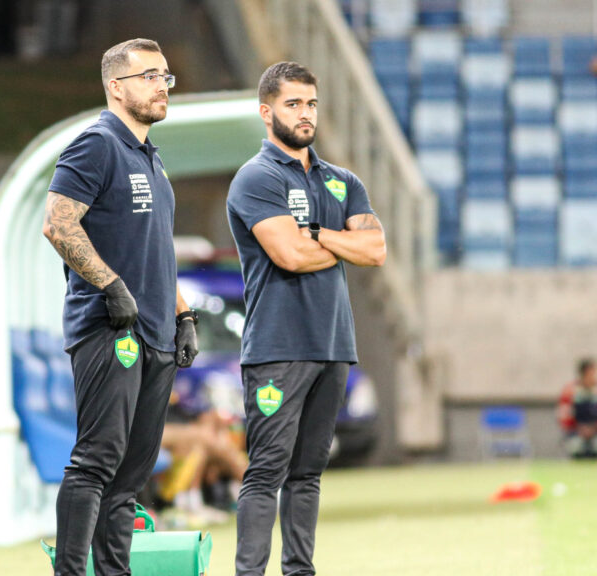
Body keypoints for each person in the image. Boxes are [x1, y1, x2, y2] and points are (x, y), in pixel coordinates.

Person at [41, 37, 199, 576]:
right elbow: (58, 223)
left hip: (156, 333)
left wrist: (183, 315)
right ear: (116, 86)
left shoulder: (151, 157)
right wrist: (111, 286)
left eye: (165, 76)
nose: (162, 86)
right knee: (96, 461)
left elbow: (158, 248)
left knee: (132, 477)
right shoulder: (96, 143)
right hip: (110, 329)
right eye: (150, 76)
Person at [226, 61, 386, 576]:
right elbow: (288, 256)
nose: (305, 114)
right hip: (278, 345)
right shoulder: (256, 178)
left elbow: (377, 248)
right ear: (266, 111)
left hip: (333, 343)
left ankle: (300, 571)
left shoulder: (342, 181)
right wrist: (340, 243)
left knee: (309, 472)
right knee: (266, 470)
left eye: (311, 103)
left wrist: (315, 234)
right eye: (293, 103)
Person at [558, 358, 597, 458]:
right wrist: (580, 429)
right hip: (576, 432)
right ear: (584, 374)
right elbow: (564, 416)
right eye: (592, 373)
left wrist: (592, 428)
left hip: (595, 431)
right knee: (576, 446)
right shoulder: (570, 391)